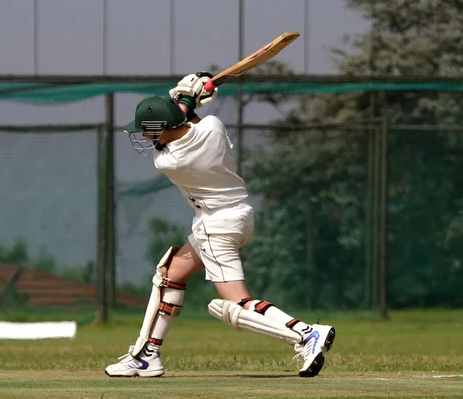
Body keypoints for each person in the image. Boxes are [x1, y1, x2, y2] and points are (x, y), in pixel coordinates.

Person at [105, 72, 335, 378]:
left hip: (217, 226)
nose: (146, 136)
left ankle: (306, 334)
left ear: (162, 126)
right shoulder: (212, 127)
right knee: (170, 274)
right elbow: (187, 120)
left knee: (236, 304)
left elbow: (174, 129)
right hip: (239, 215)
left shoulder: (170, 162)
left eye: (148, 130)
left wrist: (187, 97)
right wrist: (188, 98)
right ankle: (146, 354)